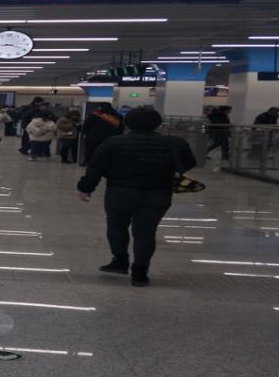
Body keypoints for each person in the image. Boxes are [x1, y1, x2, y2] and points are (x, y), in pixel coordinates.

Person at [77, 107, 197, 287]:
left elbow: (96, 167)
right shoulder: (174, 143)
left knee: (116, 225)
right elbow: (189, 163)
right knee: (146, 232)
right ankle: (140, 273)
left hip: (119, 191)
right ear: (157, 123)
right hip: (157, 192)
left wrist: (85, 188)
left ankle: (120, 261)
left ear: (128, 123)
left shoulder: (113, 143)